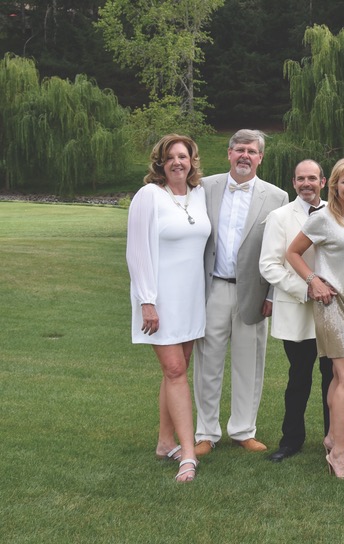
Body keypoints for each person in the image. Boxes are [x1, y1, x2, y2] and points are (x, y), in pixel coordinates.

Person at [193, 129, 288, 456]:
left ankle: (244, 430)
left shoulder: (277, 197)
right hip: (214, 288)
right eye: (239, 150)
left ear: (261, 157)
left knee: (250, 363)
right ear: (229, 153)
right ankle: (206, 432)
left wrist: (273, 295)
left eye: (252, 150)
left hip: (254, 293)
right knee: (208, 362)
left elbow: (281, 250)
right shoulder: (205, 188)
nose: (245, 155)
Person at [127, 134, 211, 482]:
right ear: (160, 162)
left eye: (184, 156)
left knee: (176, 371)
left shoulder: (199, 195)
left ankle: (165, 442)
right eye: (171, 157)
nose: (178, 162)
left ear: (193, 161)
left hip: (191, 299)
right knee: (176, 370)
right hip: (159, 299)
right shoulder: (149, 195)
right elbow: (137, 251)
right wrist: (147, 300)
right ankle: (187, 453)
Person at [286, 157, 344, 480]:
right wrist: (313, 281)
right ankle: (339, 453)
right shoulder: (322, 218)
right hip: (332, 304)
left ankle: (331, 438)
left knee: (340, 378)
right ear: (333, 184)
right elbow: (292, 253)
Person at [258, 160, 333, 463]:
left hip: (333, 309)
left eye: (312, 178)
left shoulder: (336, 211)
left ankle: (335, 439)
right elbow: (269, 265)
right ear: (293, 183)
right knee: (298, 377)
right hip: (298, 308)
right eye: (301, 179)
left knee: (333, 378)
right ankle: (291, 440)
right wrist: (306, 287)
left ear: (323, 182)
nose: (307, 184)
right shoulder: (279, 217)